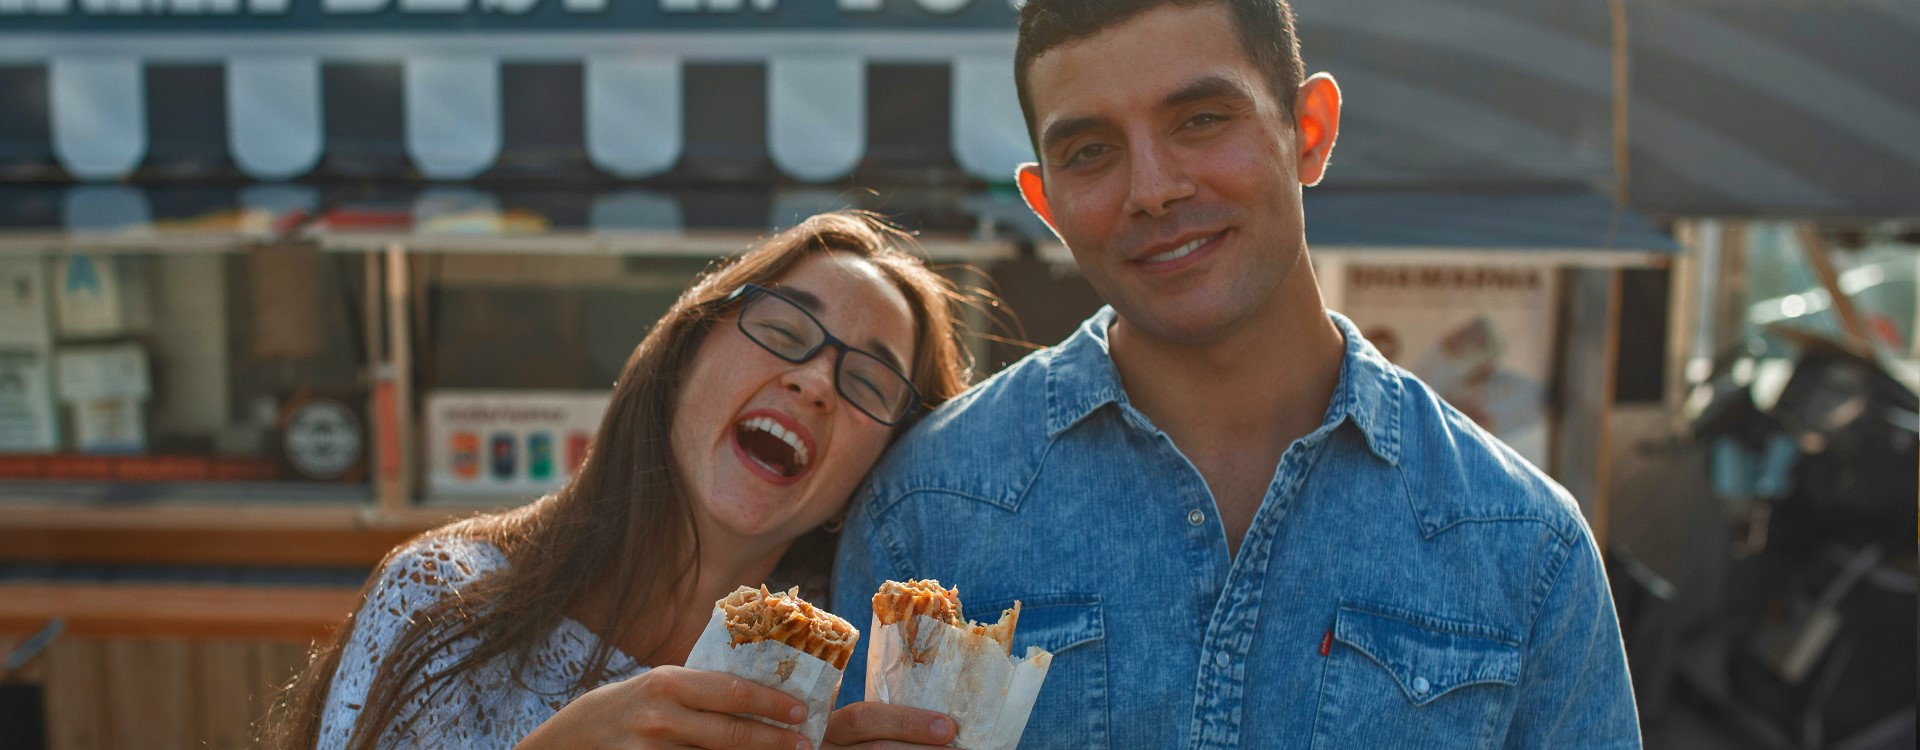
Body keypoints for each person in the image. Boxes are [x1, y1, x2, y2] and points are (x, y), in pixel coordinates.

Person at [832, 1, 1641, 748]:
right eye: (1091, 152)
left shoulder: (1523, 544)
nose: (1152, 189)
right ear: (1047, 204)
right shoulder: (926, 510)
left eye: (1201, 119)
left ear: (1310, 130)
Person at [269, 211, 970, 750]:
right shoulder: (442, 599)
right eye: (785, 334)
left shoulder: (859, 685)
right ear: (684, 353)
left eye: (868, 382)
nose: (816, 382)